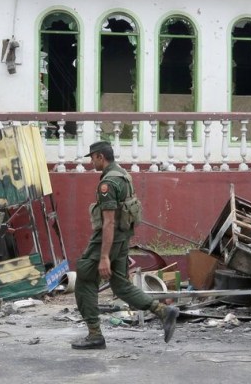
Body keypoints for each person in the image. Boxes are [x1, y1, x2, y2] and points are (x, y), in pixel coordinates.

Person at [71, 140, 179, 350]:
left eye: (92, 157)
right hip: (121, 239)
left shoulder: (108, 183)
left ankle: (95, 335)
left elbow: (109, 222)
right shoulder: (123, 175)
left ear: (100, 156)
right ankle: (163, 311)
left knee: (84, 279)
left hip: (107, 240)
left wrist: (104, 257)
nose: (91, 162)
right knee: (120, 284)